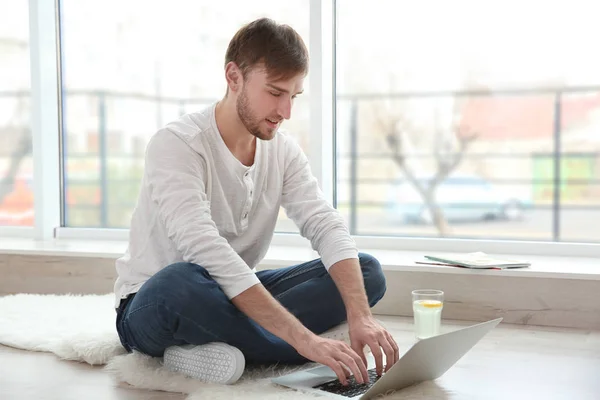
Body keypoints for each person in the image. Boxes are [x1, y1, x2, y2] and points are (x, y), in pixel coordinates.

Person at [114, 17, 399, 386]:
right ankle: (291, 349)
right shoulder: (178, 144)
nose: (286, 112)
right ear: (234, 77)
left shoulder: (283, 151)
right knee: (181, 282)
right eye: (276, 92)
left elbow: (324, 223)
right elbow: (203, 248)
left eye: (294, 96)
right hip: (155, 303)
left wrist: (361, 316)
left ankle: (219, 347)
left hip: (232, 295)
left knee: (364, 272)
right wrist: (305, 340)